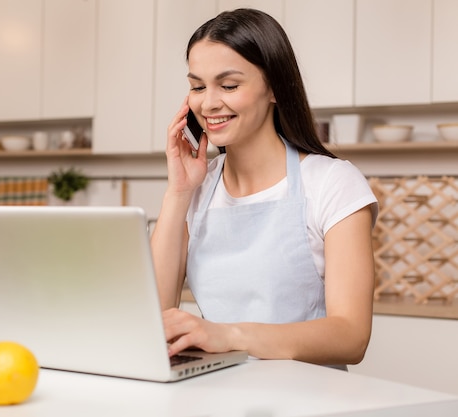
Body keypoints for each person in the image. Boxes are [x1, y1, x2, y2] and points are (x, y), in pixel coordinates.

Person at [150, 8, 378, 369]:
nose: (208, 103)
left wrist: (229, 336)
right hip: (218, 395)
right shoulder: (197, 189)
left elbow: (351, 337)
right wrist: (178, 193)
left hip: (311, 401)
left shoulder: (332, 183)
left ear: (273, 87)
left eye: (228, 85)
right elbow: (152, 318)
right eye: (197, 86)